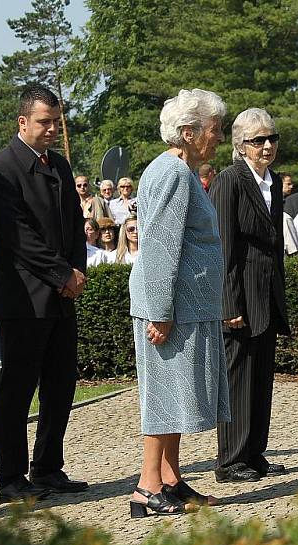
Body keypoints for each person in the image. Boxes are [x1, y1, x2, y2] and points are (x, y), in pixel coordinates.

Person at [0, 83, 87, 502]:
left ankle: (47, 466)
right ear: (22, 121)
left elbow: (75, 224)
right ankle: (10, 478)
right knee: (17, 390)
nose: (50, 130)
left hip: (62, 296)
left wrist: (75, 271)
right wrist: (62, 273)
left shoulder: (59, 166)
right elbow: (18, 236)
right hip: (26, 298)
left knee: (61, 385)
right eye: (44, 122)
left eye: (56, 123)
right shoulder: (1, 169)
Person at [129, 88, 229, 516]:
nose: (219, 137)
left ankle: (170, 478)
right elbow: (160, 247)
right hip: (173, 308)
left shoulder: (180, 171)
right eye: (214, 129)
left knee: (178, 396)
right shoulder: (171, 173)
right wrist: (161, 311)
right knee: (165, 397)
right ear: (188, 133)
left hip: (186, 306)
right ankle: (146, 487)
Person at [210, 108, 290, 483]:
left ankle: (254, 452)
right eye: (259, 140)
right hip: (240, 295)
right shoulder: (230, 181)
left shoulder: (272, 183)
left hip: (267, 292)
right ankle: (230, 461)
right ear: (241, 145)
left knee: (260, 378)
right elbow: (223, 246)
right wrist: (229, 304)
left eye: (272, 138)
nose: (267, 145)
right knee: (238, 378)